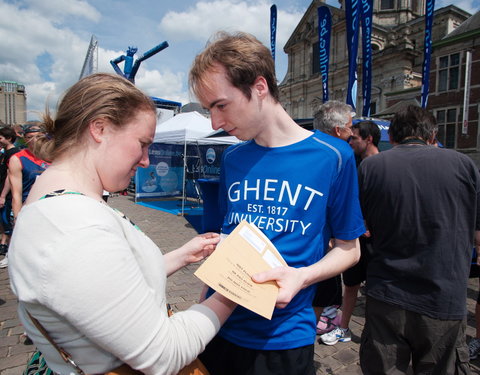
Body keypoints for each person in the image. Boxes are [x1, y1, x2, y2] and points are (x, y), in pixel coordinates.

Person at [9, 73, 237, 375]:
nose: (146, 160)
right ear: (100, 128)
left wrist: (181, 255)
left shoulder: (57, 203)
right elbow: (164, 354)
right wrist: (233, 290)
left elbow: (109, 284)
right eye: (142, 144)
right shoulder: (76, 229)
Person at [189, 31, 363, 375]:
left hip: (283, 339)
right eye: (210, 109)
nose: (215, 123)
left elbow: (350, 248)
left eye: (221, 105)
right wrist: (200, 309)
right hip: (217, 326)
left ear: (259, 87)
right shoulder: (233, 158)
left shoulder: (333, 156)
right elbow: (230, 237)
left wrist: (302, 277)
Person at [358, 104, 479, 374]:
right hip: (443, 295)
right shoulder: (464, 165)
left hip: (387, 294)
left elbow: (360, 226)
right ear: (432, 136)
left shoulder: (371, 167)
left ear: (394, 137)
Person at [319, 120, 380, 345]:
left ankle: (374, 334)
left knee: (375, 290)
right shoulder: (351, 162)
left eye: (354, 137)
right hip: (353, 238)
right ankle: (343, 328)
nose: (350, 141)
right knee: (351, 285)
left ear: (369, 139)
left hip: (375, 242)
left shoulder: (383, 165)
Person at [311, 100, 355, 335]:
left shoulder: (299, 148)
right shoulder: (342, 154)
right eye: (350, 127)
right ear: (338, 130)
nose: (352, 132)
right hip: (323, 249)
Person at [0, 126, 20, 264]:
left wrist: (3, 195)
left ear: (8, 138)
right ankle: (5, 246)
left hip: (8, 195)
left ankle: (11, 253)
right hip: (4, 194)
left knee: (10, 222)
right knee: (5, 222)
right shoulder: (4, 153)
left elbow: (9, 177)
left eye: (1, 137)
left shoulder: (13, 154)